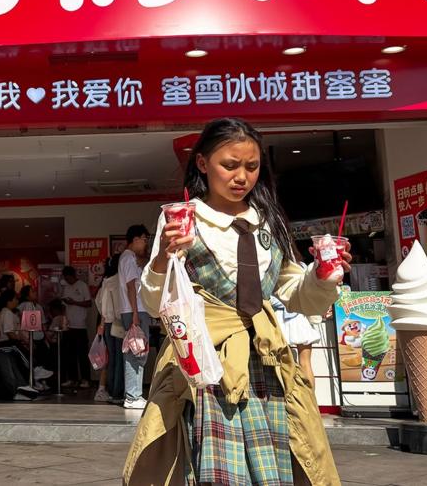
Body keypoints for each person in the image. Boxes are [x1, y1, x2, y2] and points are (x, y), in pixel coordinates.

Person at [124, 119, 348, 485]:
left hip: (266, 359)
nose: (242, 176)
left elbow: (295, 293)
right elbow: (155, 301)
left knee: (276, 464)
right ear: (202, 163)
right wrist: (165, 256)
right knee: (216, 471)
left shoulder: (269, 221)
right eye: (230, 165)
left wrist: (322, 275)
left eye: (252, 166)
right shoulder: (183, 220)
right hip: (205, 364)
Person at [117, 224, 151, 409]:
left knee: (138, 351)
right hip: (134, 310)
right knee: (133, 352)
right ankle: (132, 395)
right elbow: (131, 287)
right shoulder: (128, 258)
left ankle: (135, 394)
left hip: (134, 310)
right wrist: (136, 314)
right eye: (144, 239)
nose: (145, 243)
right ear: (135, 239)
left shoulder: (130, 258)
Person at [271, 294, 324, 388]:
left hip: (280, 321)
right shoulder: (302, 280)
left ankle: (292, 398)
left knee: (283, 364)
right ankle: (310, 399)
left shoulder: (274, 281)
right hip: (300, 318)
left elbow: (269, 299)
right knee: (305, 363)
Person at [94, 254, 124, 402]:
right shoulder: (120, 280)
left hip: (106, 323)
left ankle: (112, 390)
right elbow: (120, 305)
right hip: (119, 322)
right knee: (120, 358)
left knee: (111, 357)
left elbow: (99, 302)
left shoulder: (106, 281)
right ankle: (118, 392)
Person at [59, 266, 93, 390]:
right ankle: (72, 379)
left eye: (68, 278)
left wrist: (74, 302)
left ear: (73, 275)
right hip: (69, 326)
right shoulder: (66, 287)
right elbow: (63, 305)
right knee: (70, 354)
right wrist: (63, 318)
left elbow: (89, 303)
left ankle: (86, 379)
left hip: (80, 326)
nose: (67, 280)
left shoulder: (82, 285)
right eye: (65, 278)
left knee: (82, 354)